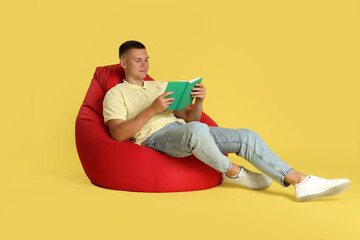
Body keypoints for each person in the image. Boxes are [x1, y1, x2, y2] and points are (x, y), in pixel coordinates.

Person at [103, 40, 351, 202]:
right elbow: (117, 134)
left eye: (147, 59)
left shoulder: (161, 85)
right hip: (155, 140)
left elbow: (191, 120)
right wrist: (152, 109)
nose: (144, 64)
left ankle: (300, 181)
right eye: (138, 60)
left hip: (184, 131)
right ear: (123, 63)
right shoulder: (116, 94)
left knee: (247, 136)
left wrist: (198, 101)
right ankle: (234, 172)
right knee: (198, 130)